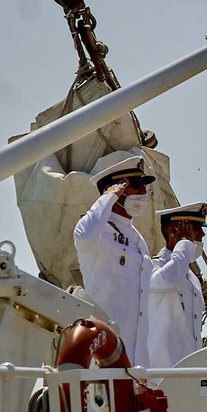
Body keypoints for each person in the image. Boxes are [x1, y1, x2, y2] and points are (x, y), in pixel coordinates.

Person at [73, 156, 156, 366]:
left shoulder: (137, 239)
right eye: (136, 185)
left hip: (139, 358)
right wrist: (107, 199)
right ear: (114, 188)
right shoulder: (97, 233)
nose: (143, 193)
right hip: (106, 355)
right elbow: (83, 235)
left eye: (144, 186)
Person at [148, 202, 207, 371]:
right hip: (161, 375)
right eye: (196, 227)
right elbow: (168, 280)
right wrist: (183, 243)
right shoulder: (151, 267)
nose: (202, 234)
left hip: (188, 373)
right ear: (174, 231)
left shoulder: (191, 278)